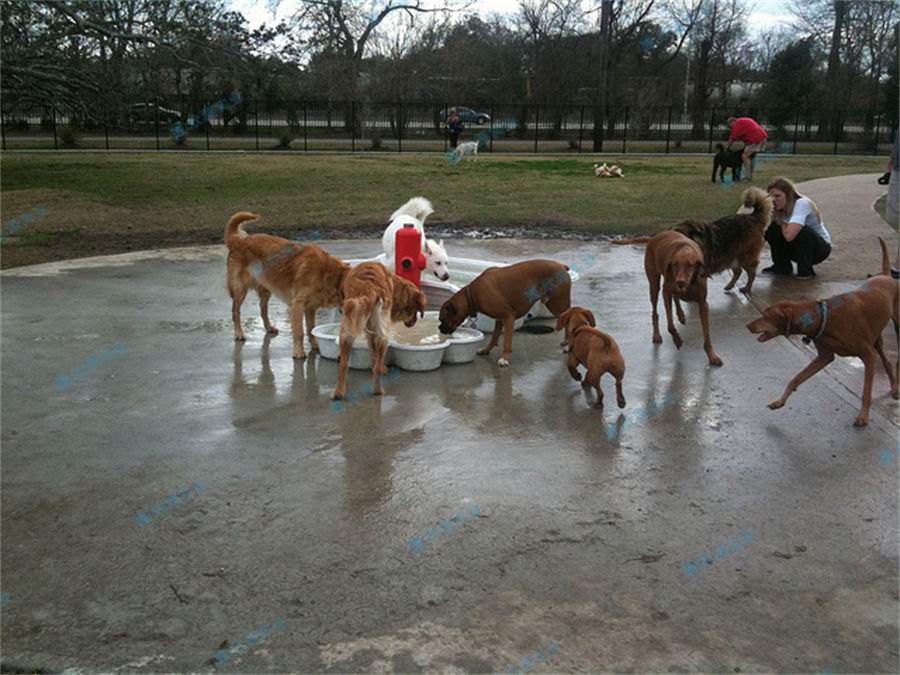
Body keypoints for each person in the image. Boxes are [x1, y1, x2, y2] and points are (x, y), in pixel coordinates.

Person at [763, 176, 831, 280]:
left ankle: (806, 270)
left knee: (802, 231)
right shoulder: (777, 210)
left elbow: (789, 236)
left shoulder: (801, 203)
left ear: (788, 195)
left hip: (819, 250)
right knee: (771, 229)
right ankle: (781, 266)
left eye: (777, 196)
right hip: (797, 248)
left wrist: (780, 220)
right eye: (770, 197)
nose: (773, 200)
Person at [726, 116, 768, 181]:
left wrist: (726, 149)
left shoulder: (737, 125)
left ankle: (748, 177)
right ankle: (750, 175)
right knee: (751, 156)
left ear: (732, 122)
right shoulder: (744, 120)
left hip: (755, 139)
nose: (731, 128)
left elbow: (732, 139)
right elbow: (748, 132)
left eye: (730, 126)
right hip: (762, 137)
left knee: (744, 156)